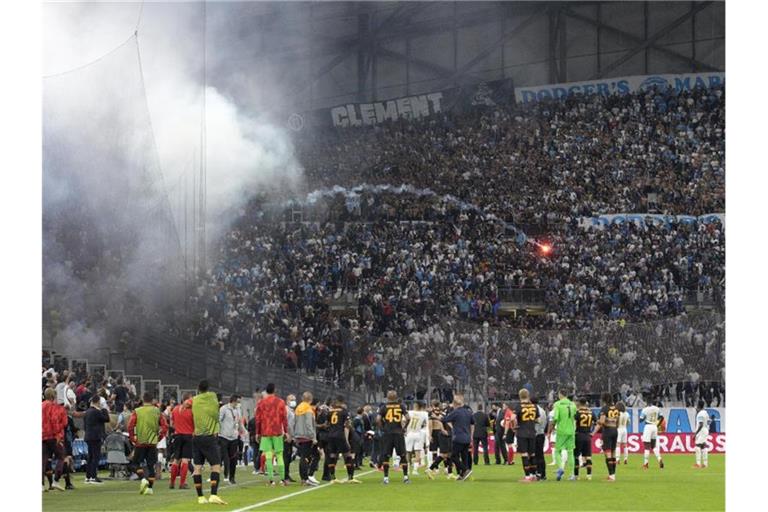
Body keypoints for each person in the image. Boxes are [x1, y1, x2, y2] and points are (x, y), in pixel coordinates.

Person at [190, 380, 227, 505]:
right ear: (208, 388)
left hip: (197, 437)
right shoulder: (212, 398)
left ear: (198, 389)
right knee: (216, 466)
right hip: (209, 437)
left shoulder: (194, 400)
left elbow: (186, 404)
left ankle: (200, 497)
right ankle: (213, 494)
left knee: (197, 467)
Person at [127, 391, 169, 495]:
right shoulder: (157, 411)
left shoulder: (137, 411)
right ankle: (150, 488)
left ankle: (142, 479)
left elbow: (130, 426)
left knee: (134, 464)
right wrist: (159, 437)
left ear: (143, 399)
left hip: (140, 442)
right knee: (151, 466)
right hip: (152, 442)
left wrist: (133, 438)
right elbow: (165, 426)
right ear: (152, 400)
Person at [254, 383, 289, 486]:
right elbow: (284, 418)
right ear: (275, 390)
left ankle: (271, 480)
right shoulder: (281, 402)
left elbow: (258, 419)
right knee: (279, 455)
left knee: (268, 455)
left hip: (265, 432)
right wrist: (286, 432)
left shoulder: (261, 403)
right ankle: (282, 479)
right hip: (277, 432)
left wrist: (257, 433)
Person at [376, 389, 410, 484]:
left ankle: (386, 478)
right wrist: (404, 428)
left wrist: (382, 428)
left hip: (388, 433)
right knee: (403, 455)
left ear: (387, 397)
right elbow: (408, 418)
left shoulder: (383, 407)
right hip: (398, 433)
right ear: (396, 397)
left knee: (386, 456)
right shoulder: (401, 406)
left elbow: (378, 420)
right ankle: (406, 477)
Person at [325, 396, 360, 484]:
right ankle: (350, 477)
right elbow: (347, 424)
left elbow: (326, 424)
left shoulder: (330, 412)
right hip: (340, 435)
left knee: (332, 455)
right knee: (347, 454)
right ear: (342, 402)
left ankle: (333, 478)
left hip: (331, 435)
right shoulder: (344, 411)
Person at [42, 387, 69, 491]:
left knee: (43, 459)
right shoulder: (55, 407)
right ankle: (56, 480)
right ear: (53, 396)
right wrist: (58, 434)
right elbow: (56, 421)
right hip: (53, 436)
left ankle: (41, 484)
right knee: (61, 457)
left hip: (42, 435)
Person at [442, 395, 474, 481]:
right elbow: (472, 423)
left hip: (458, 437)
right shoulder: (468, 412)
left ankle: (465, 470)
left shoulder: (455, 412)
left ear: (454, 404)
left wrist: (452, 427)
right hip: (467, 437)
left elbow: (445, 419)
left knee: (453, 456)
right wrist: (471, 435)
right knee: (464, 456)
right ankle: (462, 475)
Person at [511, 388, 539, 482]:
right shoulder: (534, 406)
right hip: (532, 432)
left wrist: (514, 426)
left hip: (522, 433)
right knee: (532, 454)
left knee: (524, 454)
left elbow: (512, 418)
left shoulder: (518, 406)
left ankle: (527, 477)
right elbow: (538, 420)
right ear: (528, 395)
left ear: (520, 396)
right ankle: (534, 475)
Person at [292, 391, 319, 486]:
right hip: (307, 436)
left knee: (303, 457)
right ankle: (305, 478)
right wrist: (313, 436)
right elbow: (309, 424)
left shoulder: (298, 408)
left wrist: (294, 435)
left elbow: (293, 422)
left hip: (298, 435)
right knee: (305, 457)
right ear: (310, 400)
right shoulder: (308, 409)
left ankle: (304, 478)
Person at [549, 389, 576, 481]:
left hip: (561, 430)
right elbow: (574, 416)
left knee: (557, 451)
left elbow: (555, 418)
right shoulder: (572, 404)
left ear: (560, 395)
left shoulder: (557, 404)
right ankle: (572, 474)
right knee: (570, 452)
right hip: (571, 430)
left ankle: (560, 468)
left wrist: (551, 429)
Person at [169, 392, 194, 490]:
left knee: (176, 460)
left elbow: (172, 423)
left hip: (177, 435)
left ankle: (172, 483)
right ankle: (182, 483)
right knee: (185, 460)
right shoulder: (191, 410)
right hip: (188, 436)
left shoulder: (175, 409)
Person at [84, 394, 110, 484]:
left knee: (90, 457)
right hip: (95, 437)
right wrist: (104, 409)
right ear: (98, 402)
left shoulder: (87, 411)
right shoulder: (97, 412)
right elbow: (107, 419)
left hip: (88, 436)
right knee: (96, 457)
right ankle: (93, 476)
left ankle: (88, 476)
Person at [594, 393, 620, 481]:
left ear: (604, 400)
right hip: (615, 431)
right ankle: (613, 475)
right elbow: (618, 422)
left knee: (607, 453)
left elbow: (601, 422)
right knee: (613, 452)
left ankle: (611, 475)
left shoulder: (604, 409)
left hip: (608, 431)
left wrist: (596, 424)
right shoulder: (616, 408)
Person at [219, 395, 244, 485]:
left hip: (234, 437)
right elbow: (219, 420)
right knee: (225, 457)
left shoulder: (238, 410)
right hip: (224, 436)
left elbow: (240, 422)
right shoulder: (224, 409)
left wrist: (243, 431)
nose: (239, 404)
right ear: (233, 401)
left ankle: (232, 477)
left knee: (233, 458)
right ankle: (226, 474)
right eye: (238, 401)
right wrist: (220, 431)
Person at [572, 398, 596, 481]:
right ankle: (589, 475)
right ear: (586, 403)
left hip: (579, 435)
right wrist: (592, 432)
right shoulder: (591, 412)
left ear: (579, 403)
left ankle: (576, 475)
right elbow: (597, 423)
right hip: (588, 436)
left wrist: (573, 432)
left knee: (576, 456)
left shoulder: (577, 412)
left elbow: (574, 423)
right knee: (588, 456)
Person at [405, 401, 429, 474]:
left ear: (415, 405)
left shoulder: (409, 412)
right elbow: (427, 423)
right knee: (417, 452)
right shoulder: (425, 414)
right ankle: (415, 470)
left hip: (409, 433)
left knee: (408, 452)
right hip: (418, 433)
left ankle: (408, 469)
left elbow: (404, 421)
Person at [640, 401, 664, 470]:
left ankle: (646, 464)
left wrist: (644, 417)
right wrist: (657, 425)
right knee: (653, 446)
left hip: (648, 427)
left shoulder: (645, 409)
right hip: (654, 427)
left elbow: (640, 420)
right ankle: (659, 459)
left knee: (647, 446)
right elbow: (662, 418)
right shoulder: (657, 409)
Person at [532, 397, 548, 480]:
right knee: (541, 455)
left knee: (535, 455)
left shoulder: (534, 410)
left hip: (536, 434)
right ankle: (543, 474)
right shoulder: (543, 410)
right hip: (541, 434)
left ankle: (537, 473)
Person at [283, 394, 297, 482]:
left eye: (294, 399)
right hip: (287, 436)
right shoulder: (286, 410)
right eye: (291, 399)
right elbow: (285, 423)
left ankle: (287, 474)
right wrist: (287, 434)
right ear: (287, 401)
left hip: (292, 436)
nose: (293, 401)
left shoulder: (292, 410)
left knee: (289, 456)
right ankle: (284, 475)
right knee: (286, 456)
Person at [693, 400, 711, 469]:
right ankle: (705, 464)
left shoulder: (700, 414)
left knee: (697, 446)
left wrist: (695, 434)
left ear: (698, 405)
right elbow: (709, 422)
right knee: (703, 446)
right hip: (705, 429)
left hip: (702, 430)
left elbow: (700, 424)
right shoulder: (705, 412)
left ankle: (698, 464)